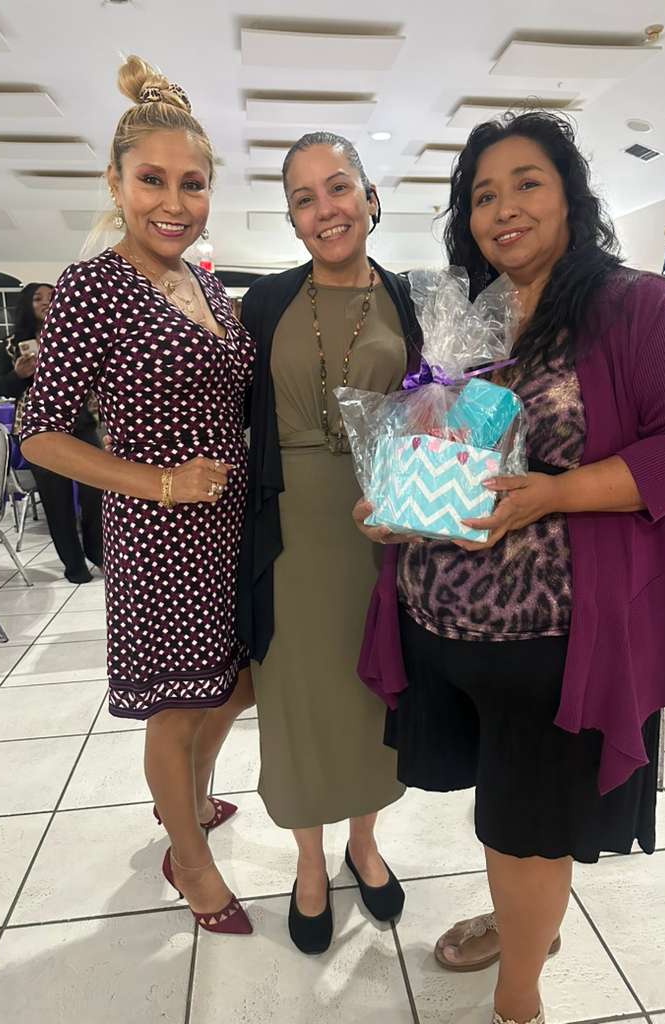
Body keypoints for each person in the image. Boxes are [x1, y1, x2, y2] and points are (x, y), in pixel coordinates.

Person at [353, 111, 665, 1024]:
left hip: (554, 644)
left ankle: (518, 1000)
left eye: (527, 183)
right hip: (442, 626)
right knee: (506, 814)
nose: (505, 208)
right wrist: (393, 498)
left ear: (570, 194)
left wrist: (555, 495)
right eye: (483, 195)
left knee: (526, 825)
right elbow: (443, 443)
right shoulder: (466, 318)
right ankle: (523, 920)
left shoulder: (632, 306)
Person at [21, 55, 256, 936]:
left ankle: (185, 798)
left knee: (235, 684)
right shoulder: (94, 285)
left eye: (192, 183)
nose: (174, 201)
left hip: (229, 523)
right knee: (178, 702)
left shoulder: (206, 284)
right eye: (152, 179)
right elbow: (39, 431)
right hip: (159, 533)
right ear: (115, 184)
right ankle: (188, 858)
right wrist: (161, 482)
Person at [238, 132, 420, 953]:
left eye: (339, 187)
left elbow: (430, 411)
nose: (326, 209)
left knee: (373, 696)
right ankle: (309, 860)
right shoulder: (265, 303)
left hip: (381, 535)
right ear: (292, 220)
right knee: (297, 703)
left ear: (370, 198)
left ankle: (364, 844)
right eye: (303, 199)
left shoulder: (410, 299)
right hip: (287, 541)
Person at [0, 282, 104, 583]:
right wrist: (18, 374)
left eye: (52, 296)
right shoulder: (11, 343)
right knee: (57, 502)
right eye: (38, 298)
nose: (46, 302)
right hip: (39, 429)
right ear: (26, 305)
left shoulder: (73, 337)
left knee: (96, 492)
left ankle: (97, 551)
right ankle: (74, 565)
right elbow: (2, 387)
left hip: (81, 424)